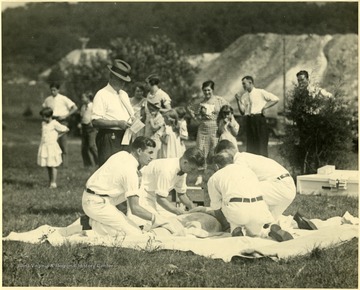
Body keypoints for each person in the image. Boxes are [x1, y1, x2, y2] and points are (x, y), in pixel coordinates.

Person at [81, 136, 183, 236]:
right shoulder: (130, 171)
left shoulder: (122, 154)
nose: (152, 157)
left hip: (96, 197)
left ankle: (96, 221)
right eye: (150, 153)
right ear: (139, 151)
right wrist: (157, 219)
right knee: (135, 234)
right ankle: (92, 225)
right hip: (96, 204)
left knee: (136, 189)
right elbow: (135, 209)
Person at [190, 151, 293, 241]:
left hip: (239, 213)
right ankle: (268, 230)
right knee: (257, 231)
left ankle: (235, 229)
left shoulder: (214, 177)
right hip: (261, 211)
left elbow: (216, 208)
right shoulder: (248, 170)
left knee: (227, 205)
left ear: (216, 166)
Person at [214, 139, 296, 222]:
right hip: (287, 187)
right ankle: (296, 221)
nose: (222, 159)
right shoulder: (246, 157)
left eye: (222, 155)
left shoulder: (239, 160)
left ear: (228, 150)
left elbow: (237, 186)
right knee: (268, 224)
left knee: (244, 194)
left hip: (280, 186)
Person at [129, 147, 205, 224]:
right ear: (185, 162)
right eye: (192, 169)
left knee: (168, 221)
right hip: (140, 193)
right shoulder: (167, 170)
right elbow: (160, 199)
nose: (193, 172)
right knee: (151, 224)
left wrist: (193, 207)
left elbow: (181, 194)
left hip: (153, 196)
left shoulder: (182, 169)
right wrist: (178, 211)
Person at [187, 80, 228, 202]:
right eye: (205, 90)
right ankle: (200, 175)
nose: (207, 92)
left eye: (209, 90)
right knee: (201, 150)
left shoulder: (219, 100)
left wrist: (222, 122)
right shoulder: (201, 102)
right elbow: (190, 108)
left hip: (215, 128)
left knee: (214, 151)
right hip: (203, 128)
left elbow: (227, 110)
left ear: (212, 90)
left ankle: (215, 173)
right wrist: (196, 116)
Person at [91, 59, 135, 166]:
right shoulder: (102, 94)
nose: (123, 83)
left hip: (125, 137)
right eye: (120, 80)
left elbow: (130, 114)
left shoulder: (123, 94)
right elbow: (95, 121)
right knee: (109, 169)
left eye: (124, 80)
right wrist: (117, 123)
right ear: (111, 77)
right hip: (109, 137)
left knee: (124, 169)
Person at [235, 76, 279, 157]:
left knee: (261, 146)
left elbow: (275, 99)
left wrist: (265, 107)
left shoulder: (260, 92)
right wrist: (238, 101)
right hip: (249, 121)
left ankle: (264, 167)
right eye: (242, 84)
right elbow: (242, 112)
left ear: (250, 83)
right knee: (251, 147)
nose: (243, 86)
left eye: (244, 84)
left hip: (259, 120)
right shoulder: (244, 96)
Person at [42, 82, 78, 167]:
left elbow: (75, 108)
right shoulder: (48, 99)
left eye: (54, 90)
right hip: (51, 120)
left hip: (62, 121)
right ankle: (54, 163)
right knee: (53, 142)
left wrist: (65, 115)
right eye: (51, 90)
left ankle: (65, 164)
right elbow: (44, 109)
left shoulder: (63, 98)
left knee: (63, 143)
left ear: (58, 90)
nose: (52, 92)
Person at [37, 107, 69, 188]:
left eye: (44, 116)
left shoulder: (55, 123)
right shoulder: (43, 123)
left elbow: (66, 129)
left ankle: (53, 182)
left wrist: (57, 136)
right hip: (45, 146)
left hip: (52, 146)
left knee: (53, 164)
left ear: (49, 116)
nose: (43, 118)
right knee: (48, 164)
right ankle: (50, 181)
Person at [79, 91, 98, 168]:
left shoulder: (93, 106)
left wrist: (92, 122)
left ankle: (98, 162)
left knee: (91, 146)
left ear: (88, 98)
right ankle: (87, 164)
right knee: (84, 147)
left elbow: (96, 115)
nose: (82, 99)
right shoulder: (83, 107)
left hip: (91, 128)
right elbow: (82, 116)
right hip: (84, 127)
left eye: (83, 97)